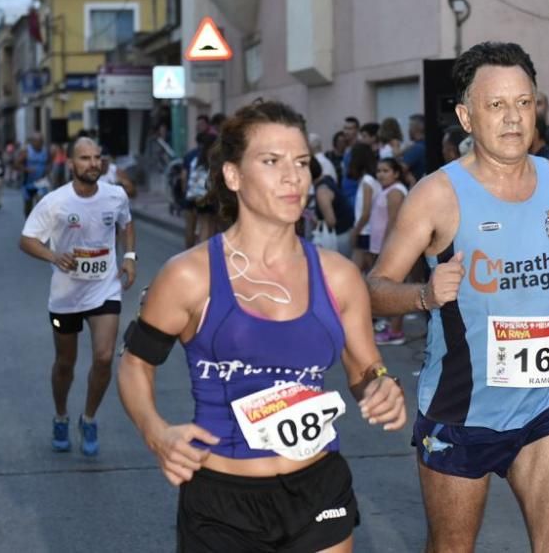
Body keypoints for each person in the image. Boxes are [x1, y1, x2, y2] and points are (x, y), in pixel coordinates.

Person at [367, 42, 549, 552]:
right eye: (496, 105)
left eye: (524, 103)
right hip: (462, 410)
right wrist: (424, 295)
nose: (513, 118)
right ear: (467, 117)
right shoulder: (437, 195)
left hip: (545, 404)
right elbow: (373, 290)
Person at [116, 101, 406, 552]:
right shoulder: (189, 276)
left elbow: (366, 369)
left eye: (302, 163)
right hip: (223, 502)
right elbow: (135, 364)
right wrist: (156, 432)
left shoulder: (338, 275)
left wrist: (382, 389)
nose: (294, 177)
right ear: (234, 176)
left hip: (319, 487)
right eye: (272, 162)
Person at [19, 136, 136, 456]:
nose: (92, 164)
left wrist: (130, 257)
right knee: (65, 363)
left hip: (105, 288)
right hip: (66, 295)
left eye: (97, 157)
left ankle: (89, 418)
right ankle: (60, 416)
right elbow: (27, 240)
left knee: (103, 357)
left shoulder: (115, 195)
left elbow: (127, 224)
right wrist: (53, 256)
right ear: (71, 164)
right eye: (84, 158)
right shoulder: (55, 202)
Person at [368, 157, 408, 346]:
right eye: (379, 171)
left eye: (385, 171)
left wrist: (387, 246)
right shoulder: (387, 191)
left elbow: (394, 222)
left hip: (389, 246)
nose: (381, 174)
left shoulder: (395, 193)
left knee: (393, 287)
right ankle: (392, 325)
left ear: (396, 173)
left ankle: (396, 330)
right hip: (380, 245)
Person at [310, 157, 354, 258]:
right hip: (345, 232)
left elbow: (331, 221)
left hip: (339, 237)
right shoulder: (327, 179)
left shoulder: (321, 191)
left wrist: (315, 220)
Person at [346, 143, 379, 272]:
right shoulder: (371, 180)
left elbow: (366, 211)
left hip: (365, 232)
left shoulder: (367, 181)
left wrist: (355, 231)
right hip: (367, 231)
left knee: (355, 270)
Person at [17, 132, 51, 218]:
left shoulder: (45, 151)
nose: (40, 143)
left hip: (41, 182)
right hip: (28, 184)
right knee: (28, 207)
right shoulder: (26, 151)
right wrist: (26, 169)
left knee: (41, 203)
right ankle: (28, 223)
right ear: (32, 142)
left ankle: (39, 225)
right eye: (38, 141)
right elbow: (16, 164)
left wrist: (47, 169)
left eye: (41, 141)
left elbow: (49, 162)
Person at [401, 114, 426, 184]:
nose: (408, 130)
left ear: (415, 128)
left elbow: (399, 169)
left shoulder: (417, 148)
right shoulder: (424, 145)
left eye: (410, 126)